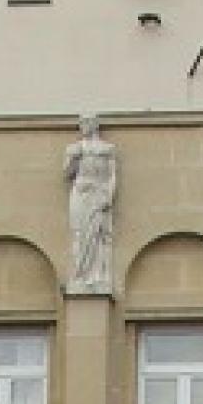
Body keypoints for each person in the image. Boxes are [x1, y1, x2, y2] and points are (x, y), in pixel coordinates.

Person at [63, 112, 117, 293]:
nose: (83, 126)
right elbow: (68, 174)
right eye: (81, 123)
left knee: (97, 235)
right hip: (80, 192)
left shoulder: (107, 149)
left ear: (94, 124)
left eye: (86, 122)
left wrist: (108, 196)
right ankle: (81, 274)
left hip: (98, 193)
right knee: (80, 232)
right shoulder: (74, 149)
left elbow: (112, 175)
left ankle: (95, 276)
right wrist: (74, 159)